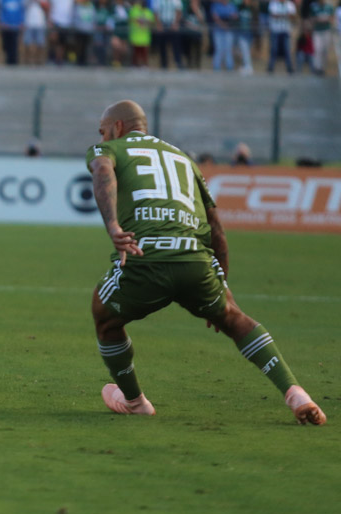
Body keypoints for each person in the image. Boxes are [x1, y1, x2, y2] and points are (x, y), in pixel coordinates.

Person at [85, 100, 326, 425]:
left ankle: (135, 402)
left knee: (104, 316)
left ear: (117, 128)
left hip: (145, 259)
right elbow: (217, 230)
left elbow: (102, 172)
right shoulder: (184, 158)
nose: (101, 138)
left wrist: (113, 225)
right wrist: (221, 292)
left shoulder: (109, 149)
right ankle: (295, 392)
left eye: (103, 131)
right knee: (233, 318)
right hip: (195, 261)